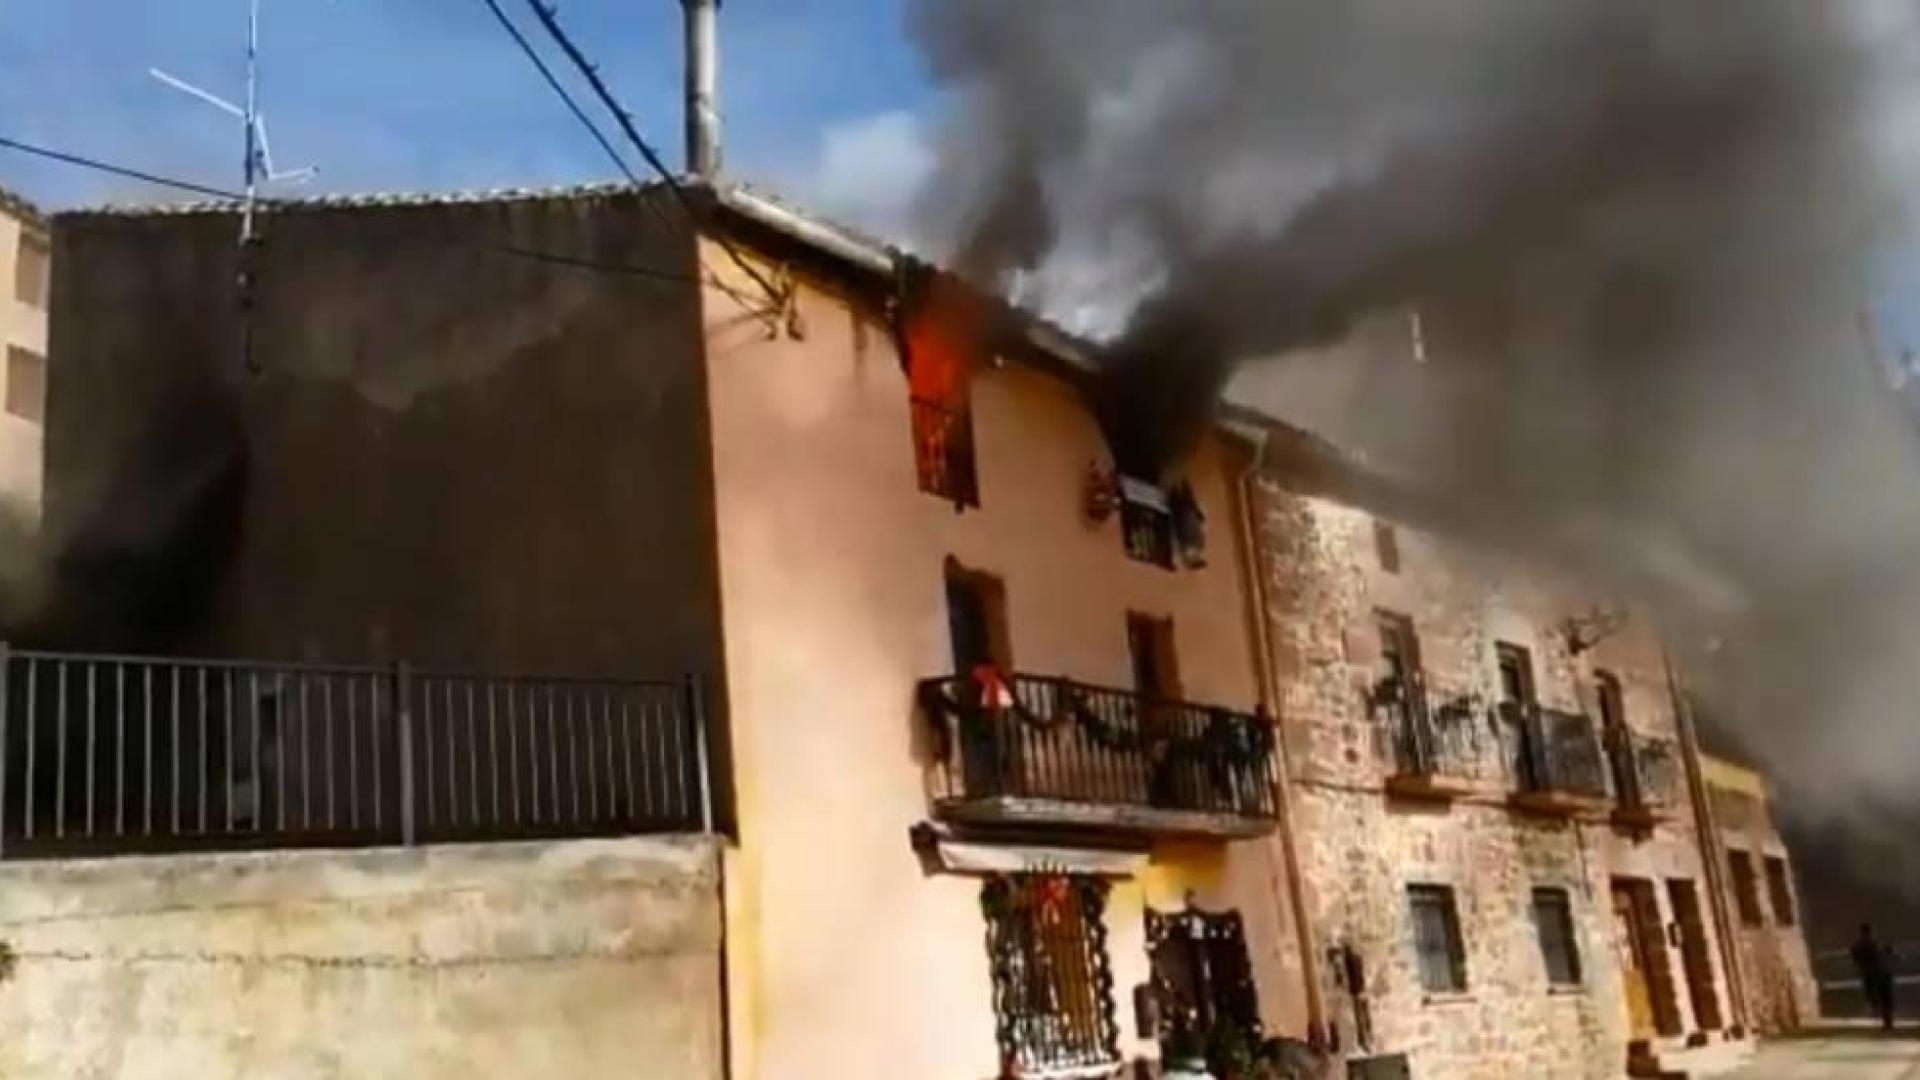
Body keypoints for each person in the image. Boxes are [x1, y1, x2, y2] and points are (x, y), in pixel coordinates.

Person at [1852, 923, 1897, 1031]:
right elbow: (1892, 954)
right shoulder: (1880, 943)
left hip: (1872, 974)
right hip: (1884, 973)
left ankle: (1877, 1010)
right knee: (1886, 998)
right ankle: (1887, 1021)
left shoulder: (1859, 945)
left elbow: (1856, 958)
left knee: (1875, 996)